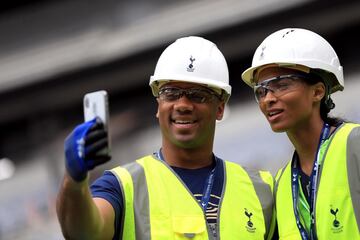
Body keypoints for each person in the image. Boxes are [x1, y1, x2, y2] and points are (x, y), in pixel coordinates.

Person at [56, 36, 276, 240]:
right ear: (158, 105)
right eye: (170, 93)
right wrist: (74, 182)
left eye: (197, 95)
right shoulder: (123, 186)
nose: (182, 105)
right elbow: (83, 233)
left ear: (219, 108)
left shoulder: (262, 188)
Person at [241, 28, 360, 239]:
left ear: (318, 91)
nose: (268, 98)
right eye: (262, 90)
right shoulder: (282, 182)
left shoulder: (354, 143)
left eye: (281, 85)